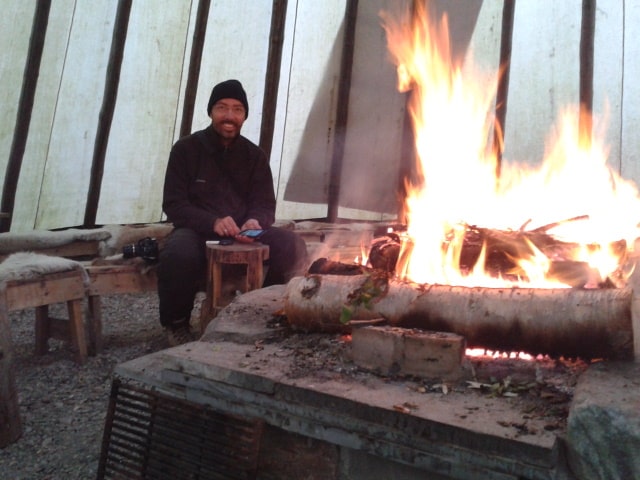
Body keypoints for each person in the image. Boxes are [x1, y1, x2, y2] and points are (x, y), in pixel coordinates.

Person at [157, 79, 308, 346]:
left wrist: (255, 221)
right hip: (197, 230)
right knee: (178, 254)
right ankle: (177, 324)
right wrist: (212, 221)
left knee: (292, 245)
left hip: (244, 233)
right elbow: (174, 204)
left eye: (237, 109)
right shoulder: (186, 150)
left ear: (244, 116)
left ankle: (265, 310)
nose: (229, 116)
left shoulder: (254, 156)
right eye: (222, 108)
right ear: (210, 112)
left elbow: (265, 204)